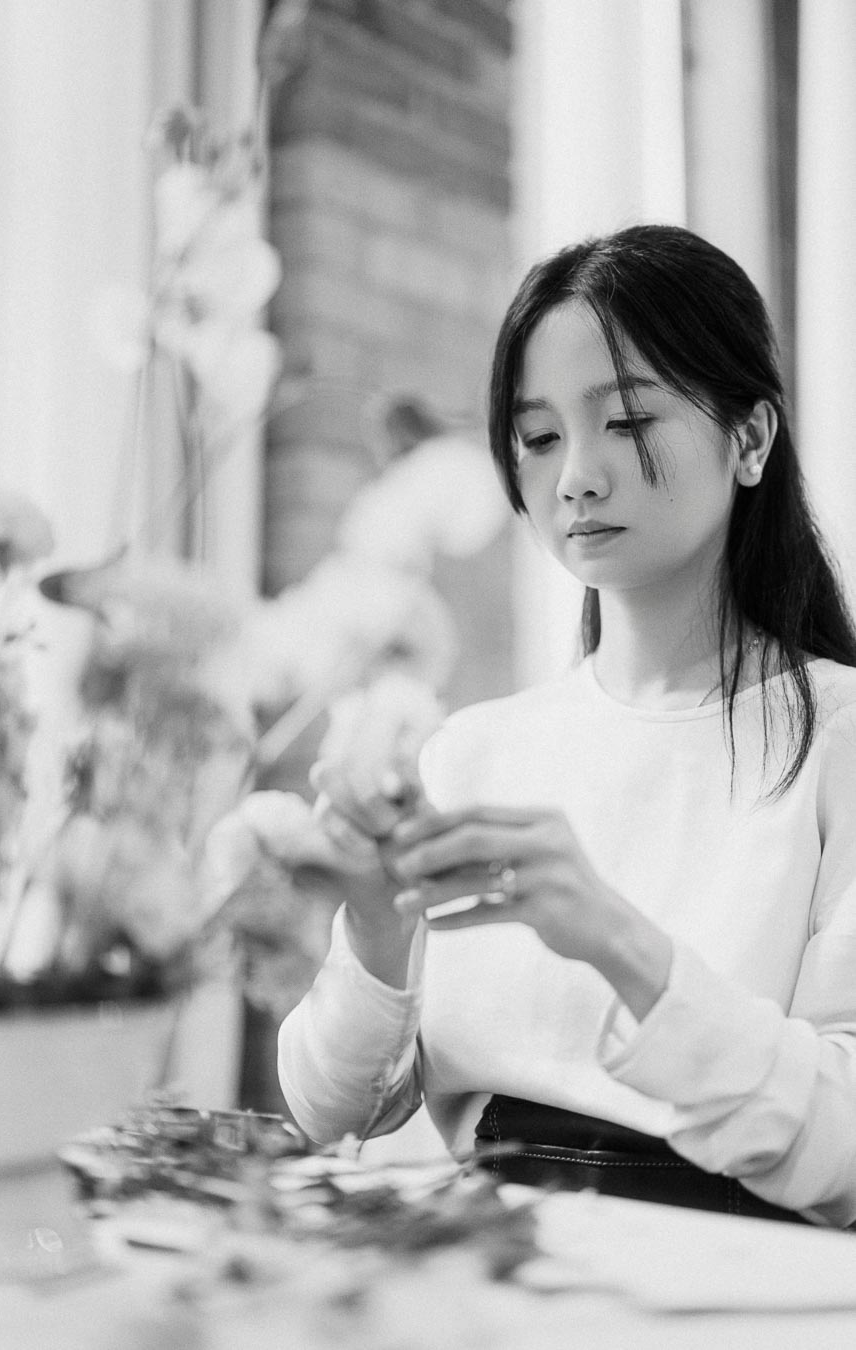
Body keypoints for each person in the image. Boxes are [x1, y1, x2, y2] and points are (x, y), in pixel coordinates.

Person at [277, 224, 856, 1227]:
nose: (577, 476)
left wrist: (616, 940)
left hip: (742, 1293)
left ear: (752, 438)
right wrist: (377, 926)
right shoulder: (473, 754)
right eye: (540, 437)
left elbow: (844, 1158)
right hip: (488, 1279)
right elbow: (330, 1114)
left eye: (626, 421)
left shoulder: (836, 740)